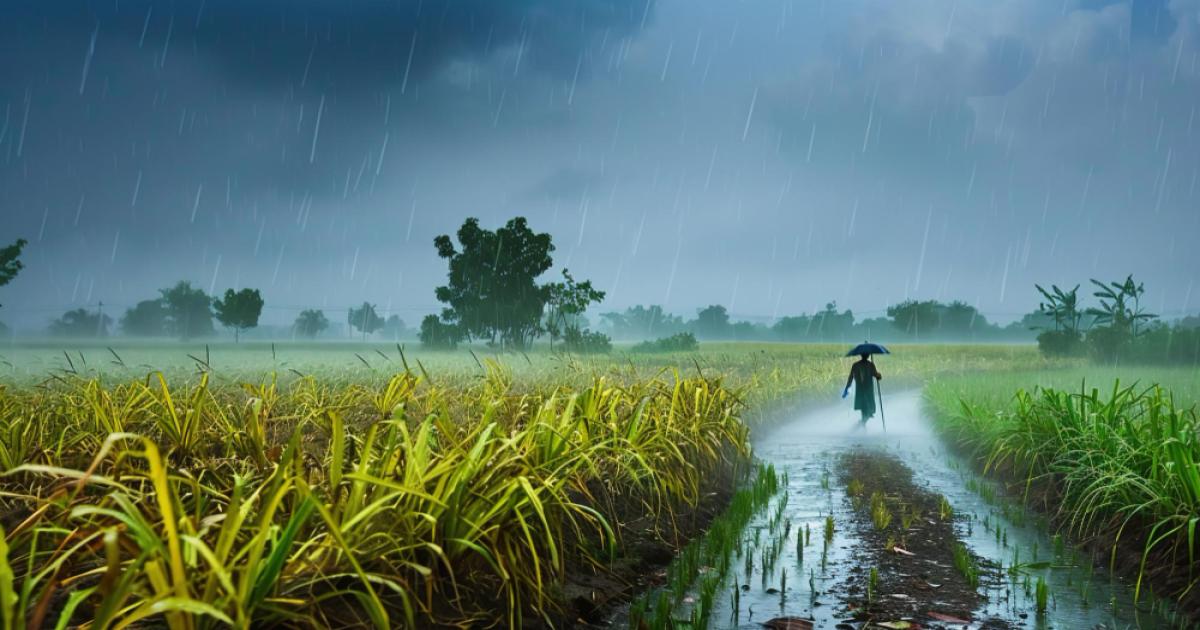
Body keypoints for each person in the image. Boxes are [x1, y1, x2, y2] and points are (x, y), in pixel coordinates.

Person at [843, 354, 882, 422]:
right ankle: (862, 424)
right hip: (867, 391)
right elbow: (877, 376)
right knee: (867, 410)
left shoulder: (856, 365)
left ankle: (862, 424)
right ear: (868, 355)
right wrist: (879, 375)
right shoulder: (870, 365)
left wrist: (847, 388)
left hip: (861, 391)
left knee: (865, 410)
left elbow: (850, 378)